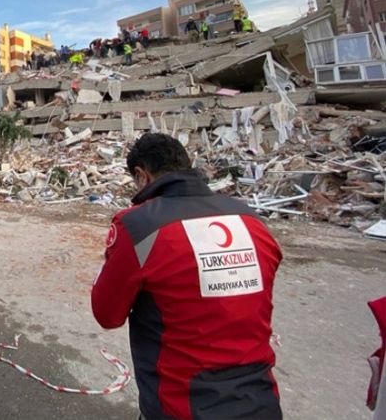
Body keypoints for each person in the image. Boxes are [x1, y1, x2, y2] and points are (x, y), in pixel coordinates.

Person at [91, 133, 283, 420]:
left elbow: (107, 314)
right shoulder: (250, 219)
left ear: (142, 176)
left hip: (182, 405)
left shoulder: (139, 225)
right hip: (261, 401)